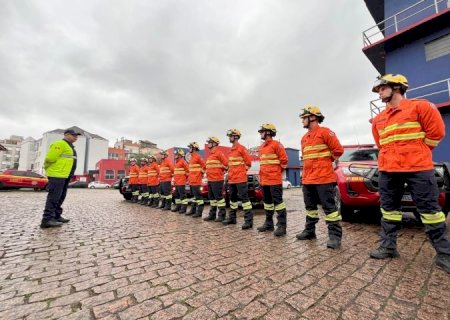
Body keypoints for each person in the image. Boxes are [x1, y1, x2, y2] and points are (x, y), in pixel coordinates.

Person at [369, 74, 450, 273]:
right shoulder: (378, 119)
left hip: (418, 168)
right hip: (389, 170)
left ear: (397, 87)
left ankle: (444, 254)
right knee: (389, 210)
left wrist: (418, 153)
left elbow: (436, 133)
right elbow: (382, 144)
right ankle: (388, 247)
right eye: (378, 90)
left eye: (382, 88)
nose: (379, 92)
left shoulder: (420, 107)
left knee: (430, 211)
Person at [295, 105, 344, 249]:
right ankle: (310, 231)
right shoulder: (304, 138)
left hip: (324, 178)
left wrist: (326, 161)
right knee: (310, 207)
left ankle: (335, 237)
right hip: (308, 179)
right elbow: (306, 158)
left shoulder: (326, 132)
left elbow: (338, 150)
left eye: (304, 117)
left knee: (329, 208)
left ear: (313, 117)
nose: (302, 120)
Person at [40, 129, 81, 228]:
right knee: (54, 197)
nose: (76, 137)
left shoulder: (70, 146)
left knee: (60, 197)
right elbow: (50, 158)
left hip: (64, 175)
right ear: (66, 135)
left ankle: (56, 216)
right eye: (74, 135)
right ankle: (47, 220)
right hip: (57, 175)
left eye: (77, 136)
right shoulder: (60, 144)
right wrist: (47, 168)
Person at [256, 123, 289, 236]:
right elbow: (262, 164)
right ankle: (269, 224)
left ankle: (281, 226)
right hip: (265, 181)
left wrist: (275, 173)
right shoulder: (261, 147)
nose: (260, 133)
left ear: (268, 132)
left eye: (262, 131)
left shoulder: (277, 145)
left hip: (274, 180)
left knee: (278, 204)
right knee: (267, 203)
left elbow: (284, 161)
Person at [223, 128, 254, 229]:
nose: (229, 138)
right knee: (232, 200)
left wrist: (241, 171)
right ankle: (232, 218)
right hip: (232, 179)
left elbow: (249, 163)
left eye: (230, 136)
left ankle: (248, 221)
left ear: (235, 136)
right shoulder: (230, 150)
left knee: (245, 200)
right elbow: (230, 165)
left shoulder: (242, 148)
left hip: (240, 179)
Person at [203, 136, 228, 222]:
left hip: (217, 179)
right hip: (210, 180)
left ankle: (222, 215)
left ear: (214, 143)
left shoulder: (219, 153)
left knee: (219, 198)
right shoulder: (210, 155)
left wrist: (221, 168)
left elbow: (226, 165)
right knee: (212, 198)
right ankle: (212, 215)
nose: (208, 144)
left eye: (210, 142)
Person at [186, 142, 206, 218]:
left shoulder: (198, 157)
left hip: (196, 180)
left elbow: (204, 166)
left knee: (198, 197)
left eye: (190, 147)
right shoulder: (191, 158)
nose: (189, 149)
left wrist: (200, 174)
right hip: (192, 181)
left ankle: (199, 212)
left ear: (194, 148)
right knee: (194, 197)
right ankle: (193, 210)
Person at [172, 149, 189, 213]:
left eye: (177, 154)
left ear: (180, 155)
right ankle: (178, 207)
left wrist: (184, 178)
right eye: (175, 154)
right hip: (177, 182)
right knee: (177, 195)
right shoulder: (177, 162)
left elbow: (188, 171)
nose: (175, 155)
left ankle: (183, 209)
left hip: (181, 182)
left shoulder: (183, 162)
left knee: (182, 196)